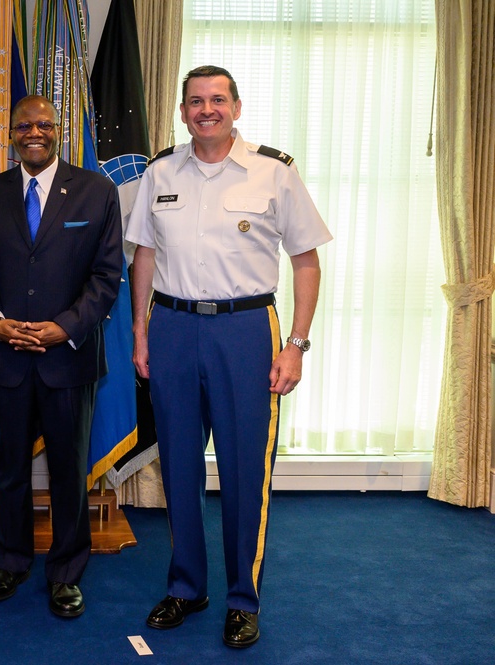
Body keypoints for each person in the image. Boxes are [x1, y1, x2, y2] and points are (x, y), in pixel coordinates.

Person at [127, 65, 333, 648]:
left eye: (218, 99)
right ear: (183, 110)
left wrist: (295, 344)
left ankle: (243, 599)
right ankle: (187, 586)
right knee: (179, 466)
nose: (206, 109)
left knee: (245, 471)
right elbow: (144, 254)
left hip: (246, 332)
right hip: (170, 328)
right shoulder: (161, 170)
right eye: (195, 101)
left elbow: (306, 261)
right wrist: (141, 334)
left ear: (237, 108)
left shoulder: (274, 171)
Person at [0, 95, 123, 618]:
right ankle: (11, 561)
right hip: (9, 358)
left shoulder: (96, 191)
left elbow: (107, 277)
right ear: (9, 135)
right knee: (10, 468)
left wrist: (64, 327)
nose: (34, 132)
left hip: (69, 360)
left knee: (67, 471)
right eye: (23, 126)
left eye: (44, 124)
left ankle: (65, 573)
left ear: (58, 130)